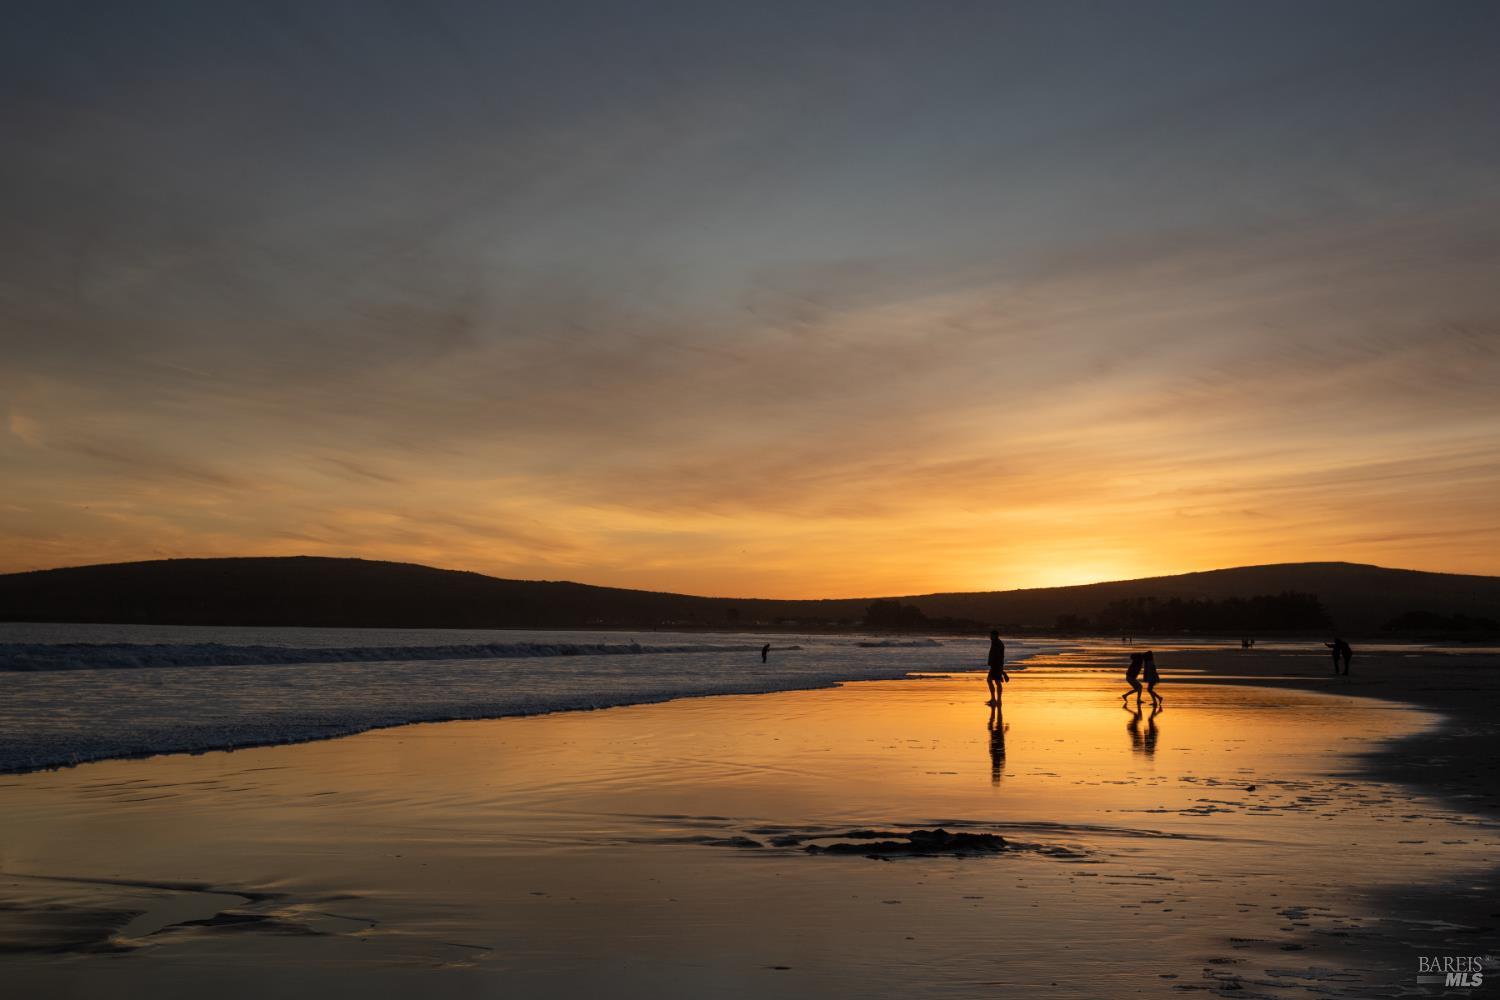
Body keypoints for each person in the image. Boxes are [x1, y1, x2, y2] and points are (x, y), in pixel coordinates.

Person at [985, 630, 1010, 705]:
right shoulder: (995, 642)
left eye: (991, 635)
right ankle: (996, 699)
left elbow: (998, 657)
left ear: (995, 636)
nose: (990, 637)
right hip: (995, 665)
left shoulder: (998, 643)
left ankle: (996, 700)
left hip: (996, 665)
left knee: (994, 681)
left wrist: (1001, 670)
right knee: (994, 681)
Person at [987, 703, 1007, 785]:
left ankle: (996, 708)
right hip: (998, 738)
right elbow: (994, 748)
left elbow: (992, 748)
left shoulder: (997, 759)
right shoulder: (1000, 760)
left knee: (997, 720)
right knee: (997, 720)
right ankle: (997, 708)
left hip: (996, 738)